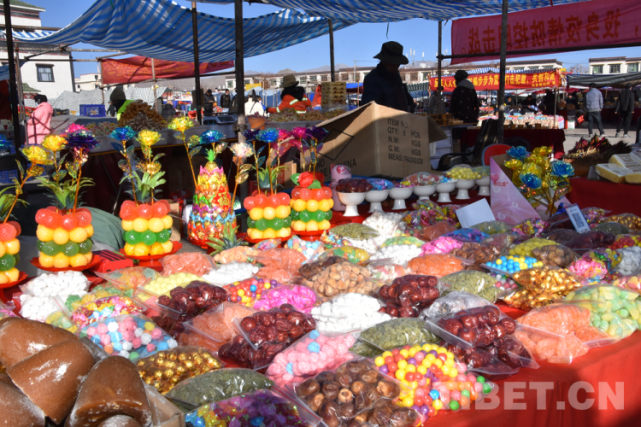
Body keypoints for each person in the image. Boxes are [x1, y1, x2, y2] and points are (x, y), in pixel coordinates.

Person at [360, 41, 412, 112]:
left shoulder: (396, 76)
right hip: (385, 119)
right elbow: (369, 109)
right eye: (393, 63)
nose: (396, 66)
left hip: (401, 118)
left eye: (398, 64)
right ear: (384, 61)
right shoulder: (373, 79)